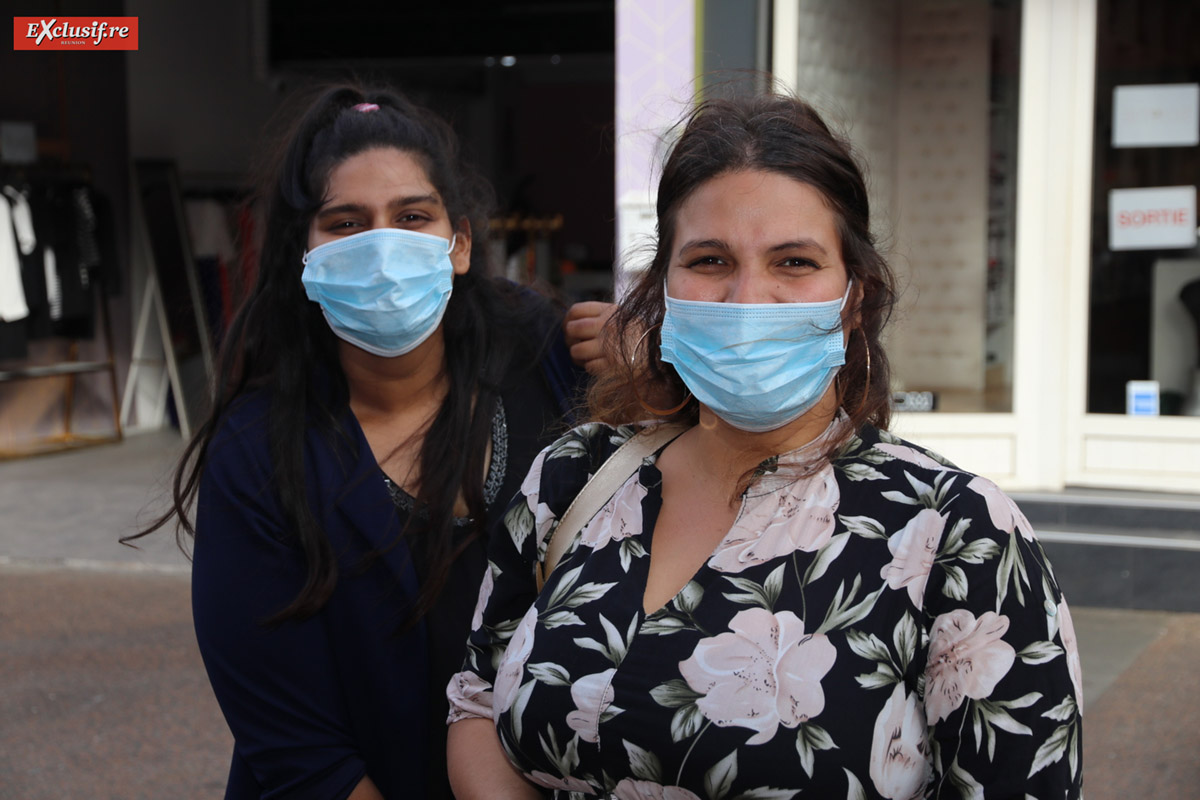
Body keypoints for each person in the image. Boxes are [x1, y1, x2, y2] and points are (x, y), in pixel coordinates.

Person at [446, 92, 1084, 800]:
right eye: (711, 259)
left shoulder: (960, 535)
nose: (749, 298)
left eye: (794, 262)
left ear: (855, 298)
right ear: (662, 290)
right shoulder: (573, 477)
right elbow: (476, 702)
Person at [125, 84, 612, 800]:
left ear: (461, 244)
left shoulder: (545, 360)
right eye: (346, 223)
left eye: (412, 216)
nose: (383, 247)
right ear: (304, 258)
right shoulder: (260, 451)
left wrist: (657, 367)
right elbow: (299, 751)